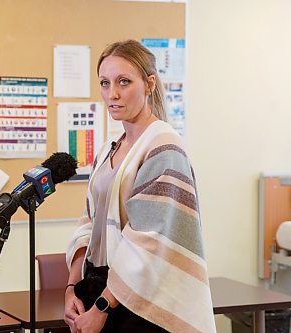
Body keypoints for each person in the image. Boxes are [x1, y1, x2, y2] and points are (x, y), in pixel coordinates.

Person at [64, 40, 216, 333]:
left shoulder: (164, 149)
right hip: (96, 286)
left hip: (137, 302)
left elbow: (148, 244)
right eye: (105, 83)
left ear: (149, 85)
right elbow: (88, 223)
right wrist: (72, 288)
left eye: (124, 82)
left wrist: (102, 308)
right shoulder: (110, 148)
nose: (113, 94)